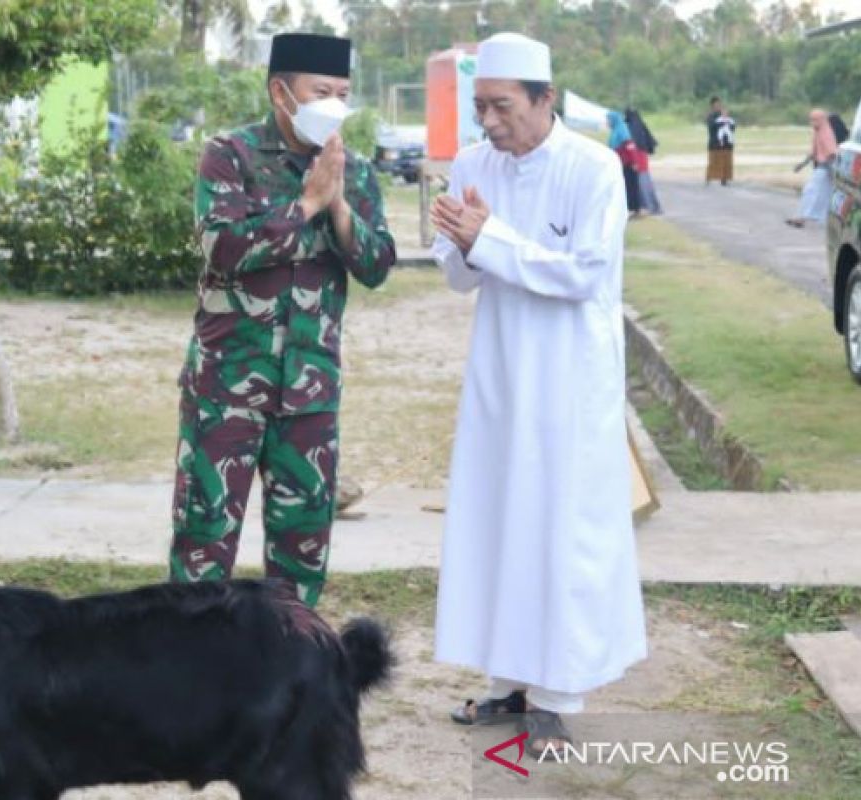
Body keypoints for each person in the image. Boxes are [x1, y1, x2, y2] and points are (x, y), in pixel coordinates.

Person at [429, 32, 647, 757]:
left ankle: (555, 696)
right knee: (497, 521)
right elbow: (459, 278)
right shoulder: (471, 164)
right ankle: (503, 681)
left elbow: (583, 275)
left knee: (558, 528)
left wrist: (488, 238)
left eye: (502, 108)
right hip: (499, 370)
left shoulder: (594, 168)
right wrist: (464, 245)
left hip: (569, 378)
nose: (489, 123)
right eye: (480, 107)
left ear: (544, 99)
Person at [168, 32, 396, 608]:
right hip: (226, 389)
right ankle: (193, 691)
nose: (334, 106)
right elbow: (223, 248)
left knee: (301, 559)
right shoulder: (231, 155)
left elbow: (376, 265)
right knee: (203, 550)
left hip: (310, 396)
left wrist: (340, 203)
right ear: (280, 91)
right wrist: (308, 205)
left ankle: (290, 686)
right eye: (321, 91)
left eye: (343, 93)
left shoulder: (355, 170)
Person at [786, 109, 839, 228]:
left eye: (815, 120)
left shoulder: (826, 133)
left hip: (826, 168)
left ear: (822, 120)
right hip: (822, 168)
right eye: (811, 119)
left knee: (811, 191)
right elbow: (813, 153)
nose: (812, 122)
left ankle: (800, 218)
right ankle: (802, 218)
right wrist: (802, 165)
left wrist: (831, 172)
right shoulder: (818, 132)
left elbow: (832, 154)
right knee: (820, 194)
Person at [625, 107, 662, 215]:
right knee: (646, 181)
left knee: (642, 182)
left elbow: (632, 143)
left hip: (637, 156)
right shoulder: (640, 124)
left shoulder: (631, 127)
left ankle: (649, 206)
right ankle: (653, 206)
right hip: (643, 155)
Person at [607, 110, 643, 218]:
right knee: (624, 186)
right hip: (621, 163)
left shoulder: (622, 131)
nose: (607, 122)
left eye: (609, 120)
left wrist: (634, 162)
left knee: (630, 186)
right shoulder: (615, 131)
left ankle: (634, 209)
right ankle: (629, 208)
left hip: (628, 164)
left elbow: (630, 147)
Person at [705, 97, 734, 186]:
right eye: (716, 104)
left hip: (726, 143)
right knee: (713, 162)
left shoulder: (725, 115)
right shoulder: (710, 116)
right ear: (712, 106)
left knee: (726, 162)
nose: (718, 106)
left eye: (719, 104)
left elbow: (732, 126)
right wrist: (721, 123)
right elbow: (712, 127)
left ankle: (724, 179)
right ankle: (709, 179)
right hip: (714, 143)